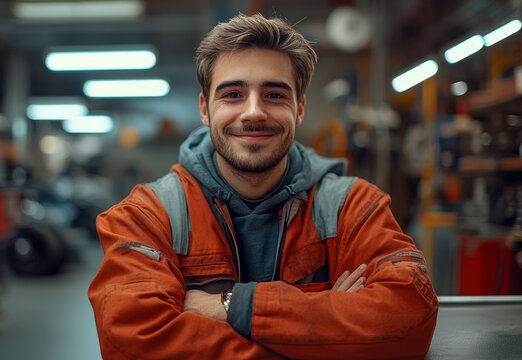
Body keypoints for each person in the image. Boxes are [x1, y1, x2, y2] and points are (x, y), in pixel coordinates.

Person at [89, 13, 438, 359]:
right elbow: (133, 344)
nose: (253, 112)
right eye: (232, 94)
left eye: (274, 95)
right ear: (204, 109)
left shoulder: (354, 207)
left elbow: (408, 317)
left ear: (299, 108)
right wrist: (327, 331)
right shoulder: (147, 216)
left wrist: (232, 305)